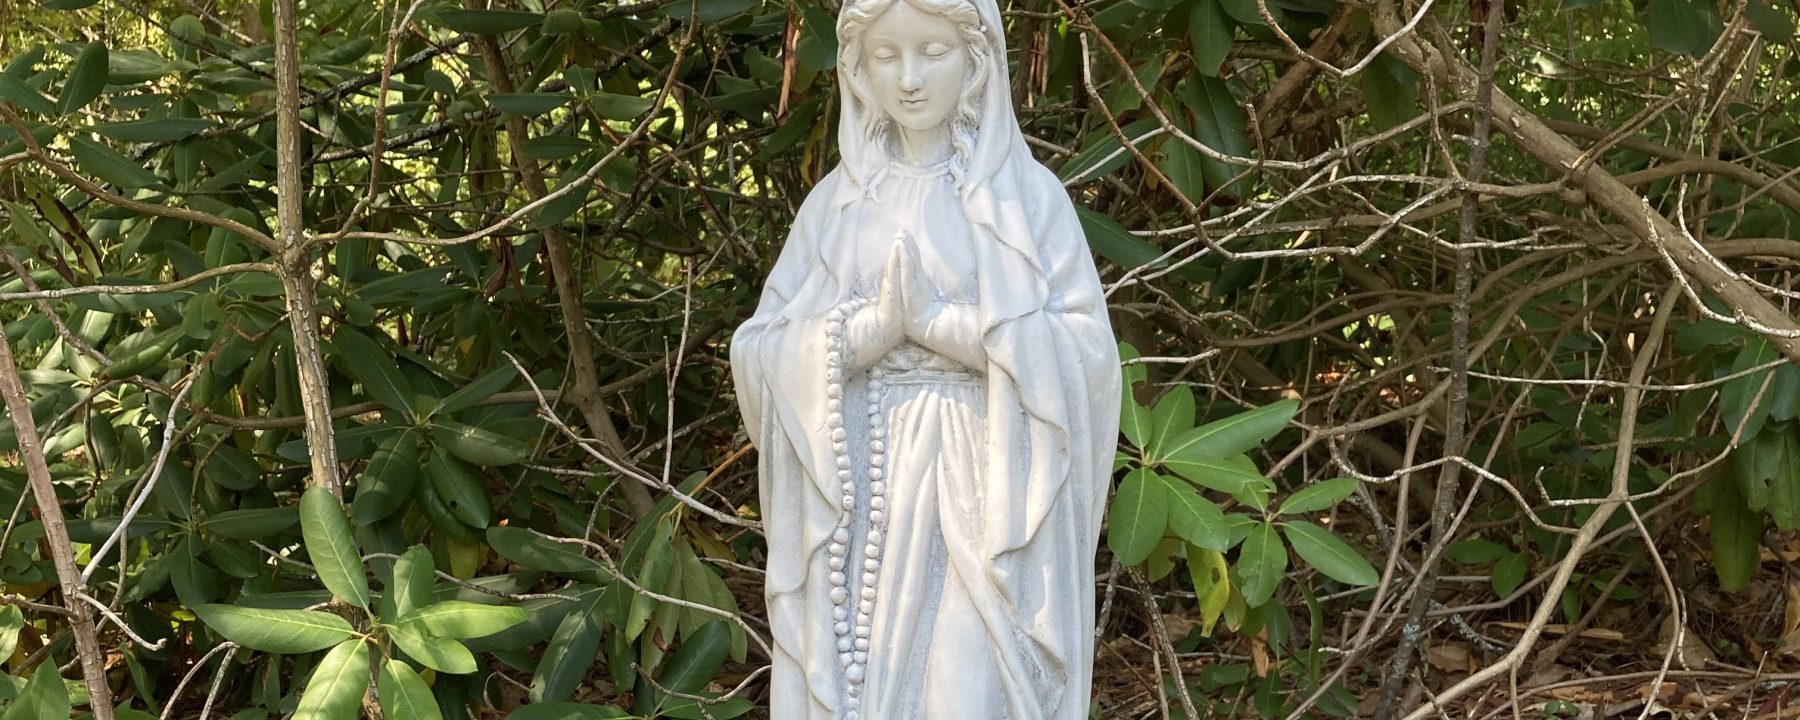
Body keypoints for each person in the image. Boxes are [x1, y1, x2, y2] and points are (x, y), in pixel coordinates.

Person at [729, 0, 1120, 714]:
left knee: (965, 687)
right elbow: (760, 348)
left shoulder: (1027, 202)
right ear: (856, 69)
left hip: (988, 482)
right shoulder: (836, 208)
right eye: (887, 56)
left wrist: (946, 328)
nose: (909, 78)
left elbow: (1085, 350)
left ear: (976, 61)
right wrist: (863, 337)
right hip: (863, 483)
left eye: (932, 52)